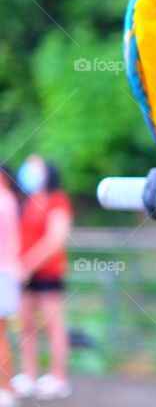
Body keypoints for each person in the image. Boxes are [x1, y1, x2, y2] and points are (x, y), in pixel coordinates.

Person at [11, 156, 72, 401]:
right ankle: (30, 374)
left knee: (53, 325)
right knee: (25, 324)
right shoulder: (24, 201)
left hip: (48, 273)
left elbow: (55, 240)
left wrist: (28, 264)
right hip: (22, 273)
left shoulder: (58, 200)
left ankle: (58, 378)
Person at [0, 166, 21, 407]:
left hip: (3, 272)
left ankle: (6, 386)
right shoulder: (9, 200)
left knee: (1, 333)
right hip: (7, 272)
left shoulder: (4, 201)